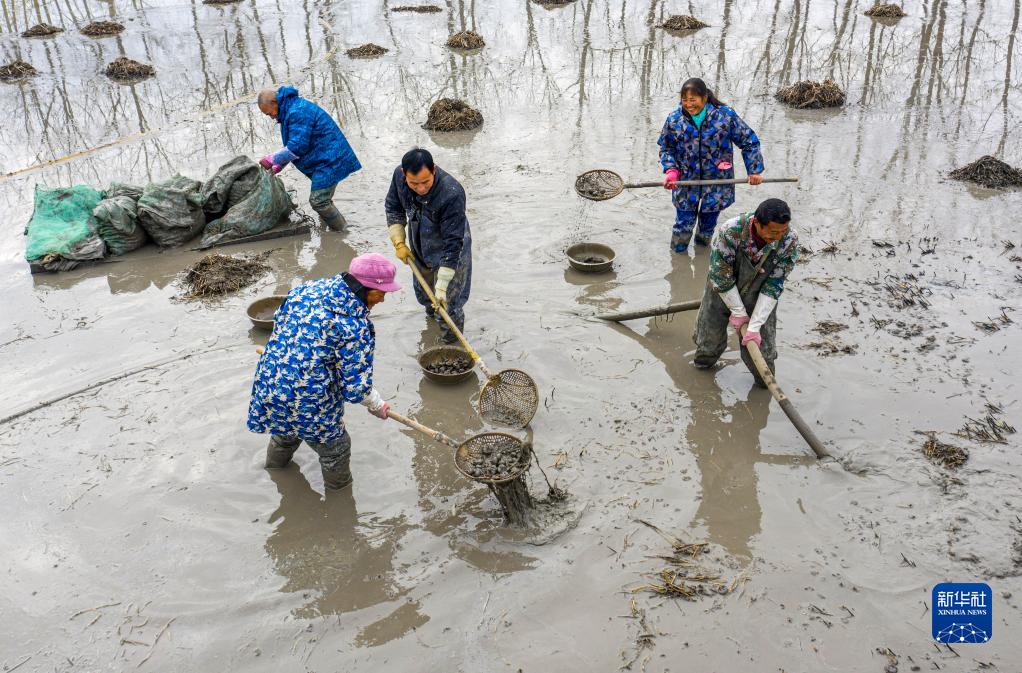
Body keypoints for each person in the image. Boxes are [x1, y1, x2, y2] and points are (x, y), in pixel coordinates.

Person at [247, 253, 400, 490]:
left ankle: (274, 473)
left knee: (285, 429)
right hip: (309, 399)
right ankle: (340, 504)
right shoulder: (352, 326)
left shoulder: (307, 289)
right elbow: (354, 389)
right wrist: (376, 404)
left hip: (272, 383)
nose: (382, 300)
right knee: (336, 449)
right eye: (382, 293)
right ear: (365, 287)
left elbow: (281, 324)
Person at [692, 198, 798, 387]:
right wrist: (739, 313)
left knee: (762, 354)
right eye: (773, 232)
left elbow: (774, 285)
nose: (779, 236)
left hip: (759, 295)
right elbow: (721, 277)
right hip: (722, 290)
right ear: (757, 223)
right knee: (709, 342)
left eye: (783, 231)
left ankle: (764, 384)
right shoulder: (731, 231)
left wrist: (754, 325)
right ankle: (701, 378)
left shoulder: (789, 240)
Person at [657, 77, 764, 253]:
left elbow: (749, 141)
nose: (689, 104)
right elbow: (666, 148)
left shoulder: (725, 116)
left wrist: (754, 170)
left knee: (707, 228)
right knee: (682, 226)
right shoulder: (675, 119)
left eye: (693, 100)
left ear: (705, 97)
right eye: (685, 100)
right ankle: (678, 262)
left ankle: (702, 256)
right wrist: (671, 170)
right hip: (686, 183)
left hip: (717, 183)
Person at [385, 148, 472, 343]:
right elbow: (393, 206)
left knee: (449, 304)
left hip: (452, 249)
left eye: (425, 182)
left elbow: (453, 242)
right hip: (420, 244)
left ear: (433, 170)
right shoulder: (399, 177)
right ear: (404, 175)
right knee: (425, 296)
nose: (421, 188)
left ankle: (452, 344)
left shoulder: (452, 192)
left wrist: (442, 284)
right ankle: (433, 326)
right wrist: (398, 239)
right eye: (414, 183)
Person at [257, 86, 361, 230]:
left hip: (331, 159)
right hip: (322, 159)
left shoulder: (297, 112)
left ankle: (341, 232)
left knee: (318, 201)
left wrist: (271, 159)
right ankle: (331, 226)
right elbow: (291, 146)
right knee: (323, 199)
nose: (271, 116)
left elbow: (297, 147)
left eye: (269, 113)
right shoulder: (288, 111)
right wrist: (278, 165)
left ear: (275, 102)